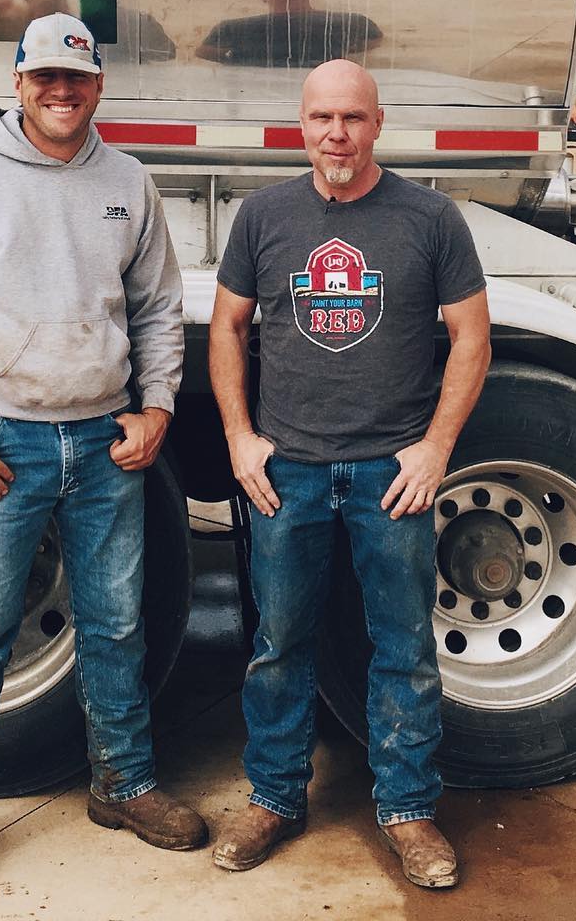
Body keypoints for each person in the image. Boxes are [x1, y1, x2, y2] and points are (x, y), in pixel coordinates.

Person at [0, 13, 208, 904]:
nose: (61, 94)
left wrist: (156, 406)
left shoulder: (126, 182)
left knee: (113, 624)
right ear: (18, 84)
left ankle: (124, 785)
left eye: (77, 79)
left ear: (98, 85)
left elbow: (155, 307)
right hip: (5, 444)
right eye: (44, 79)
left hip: (108, 444)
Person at [206, 59, 490, 890]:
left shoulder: (431, 218)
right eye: (323, 118)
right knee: (278, 643)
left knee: (401, 648)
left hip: (387, 475)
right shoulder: (262, 218)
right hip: (286, 473)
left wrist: (434, 449)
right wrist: (239, 437)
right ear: (301, 125)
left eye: (354, 119)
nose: (338, 134)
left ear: (378, 124)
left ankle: (408, 810)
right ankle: (273, 797)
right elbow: (227, 328)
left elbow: (472, 340)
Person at [195, 0, 383, 67]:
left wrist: (239, 61)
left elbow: (205, 51)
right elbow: (374, 39)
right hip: (325, 88)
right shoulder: (350, 22)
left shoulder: (232, 28)